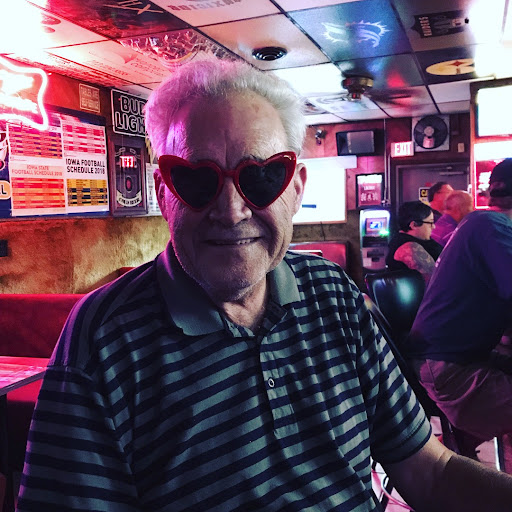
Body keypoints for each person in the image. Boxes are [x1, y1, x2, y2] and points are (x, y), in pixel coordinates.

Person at [16, 59, 512, 512]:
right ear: (163, 192)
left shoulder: (335, 295)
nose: (231, 211)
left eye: (260, 178)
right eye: (197, 180)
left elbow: (431, 471)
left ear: (295, 190)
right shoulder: (101, 341)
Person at [408, 158, 512, 471]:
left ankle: (455, 460)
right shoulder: (491, 226)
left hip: (455, 360)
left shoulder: (484, 225)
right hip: (451, 370)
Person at [386, 201, 443, 283]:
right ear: (414, 225)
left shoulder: (423, 240)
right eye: (430, 223)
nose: (433, 227)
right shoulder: (408, 246)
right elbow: (435, 279)